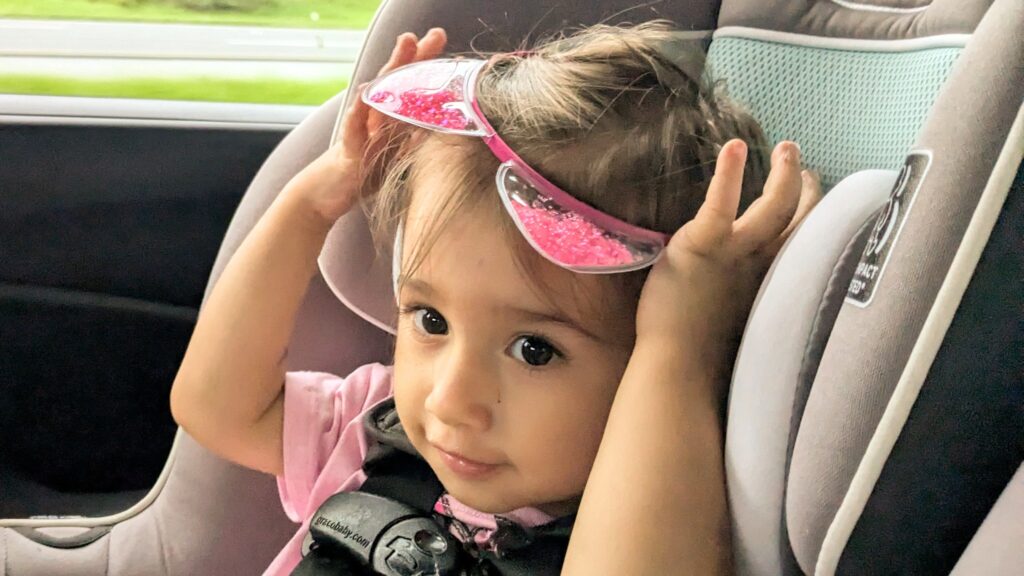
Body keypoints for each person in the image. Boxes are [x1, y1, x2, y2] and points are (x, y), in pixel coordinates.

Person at [170, 21, 820, 575]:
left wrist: (681, 342)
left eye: (534, 349)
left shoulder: (654, 518)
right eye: (430, 319)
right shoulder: (377, 433)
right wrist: (315, 201)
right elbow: (215, 406)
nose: (451, 399)